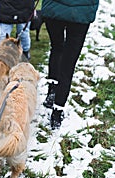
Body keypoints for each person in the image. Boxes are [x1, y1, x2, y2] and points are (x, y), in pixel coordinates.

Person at [41, 0, 99, 129]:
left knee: (56, 48)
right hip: (81, 13)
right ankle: (57, 112)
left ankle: (52, 91)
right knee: (69, 63)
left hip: (54, 8)